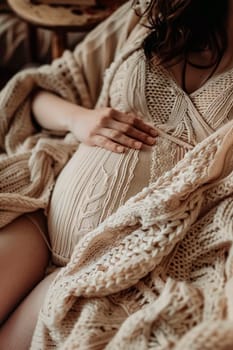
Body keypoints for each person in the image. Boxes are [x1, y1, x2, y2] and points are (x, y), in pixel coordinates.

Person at [0, 0, 233, 348]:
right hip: (42, 211)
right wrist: (78, 119)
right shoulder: (152, 12)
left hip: (131, 261)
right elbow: (40, 92)